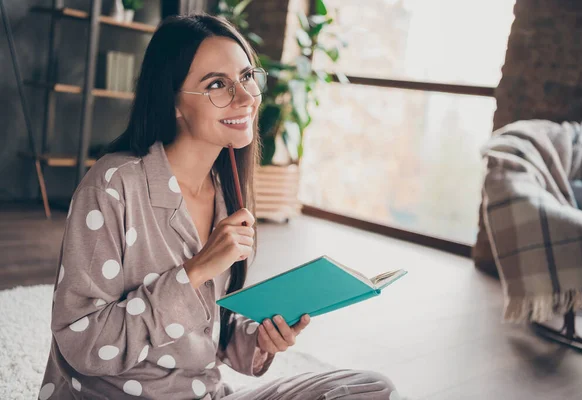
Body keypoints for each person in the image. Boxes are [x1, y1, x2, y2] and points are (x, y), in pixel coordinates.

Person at [39, 13, 400, 400]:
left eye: (246, 77)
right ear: (173, 101)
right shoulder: (114, 185)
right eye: (217, 85)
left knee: (373, 389)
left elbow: (211, 334)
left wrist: (261, 339)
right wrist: (194, 272)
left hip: (207, 394)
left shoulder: (227, 191)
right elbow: (83, 344)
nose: (245, 98)